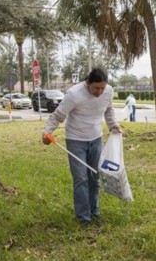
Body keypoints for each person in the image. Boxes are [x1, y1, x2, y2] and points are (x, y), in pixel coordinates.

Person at [42, 68, 122, 226]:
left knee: (94, 177)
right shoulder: (74, 94)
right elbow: (58, 115)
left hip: (96, 139)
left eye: (102, 88)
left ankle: (94, 210)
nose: (100, 91)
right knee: (81, 179)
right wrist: (46, 132)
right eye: (96, 88)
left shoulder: (108, 91)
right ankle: (83, 218)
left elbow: (108, 110)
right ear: (88, 83)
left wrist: (113, 125)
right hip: (75, 140)